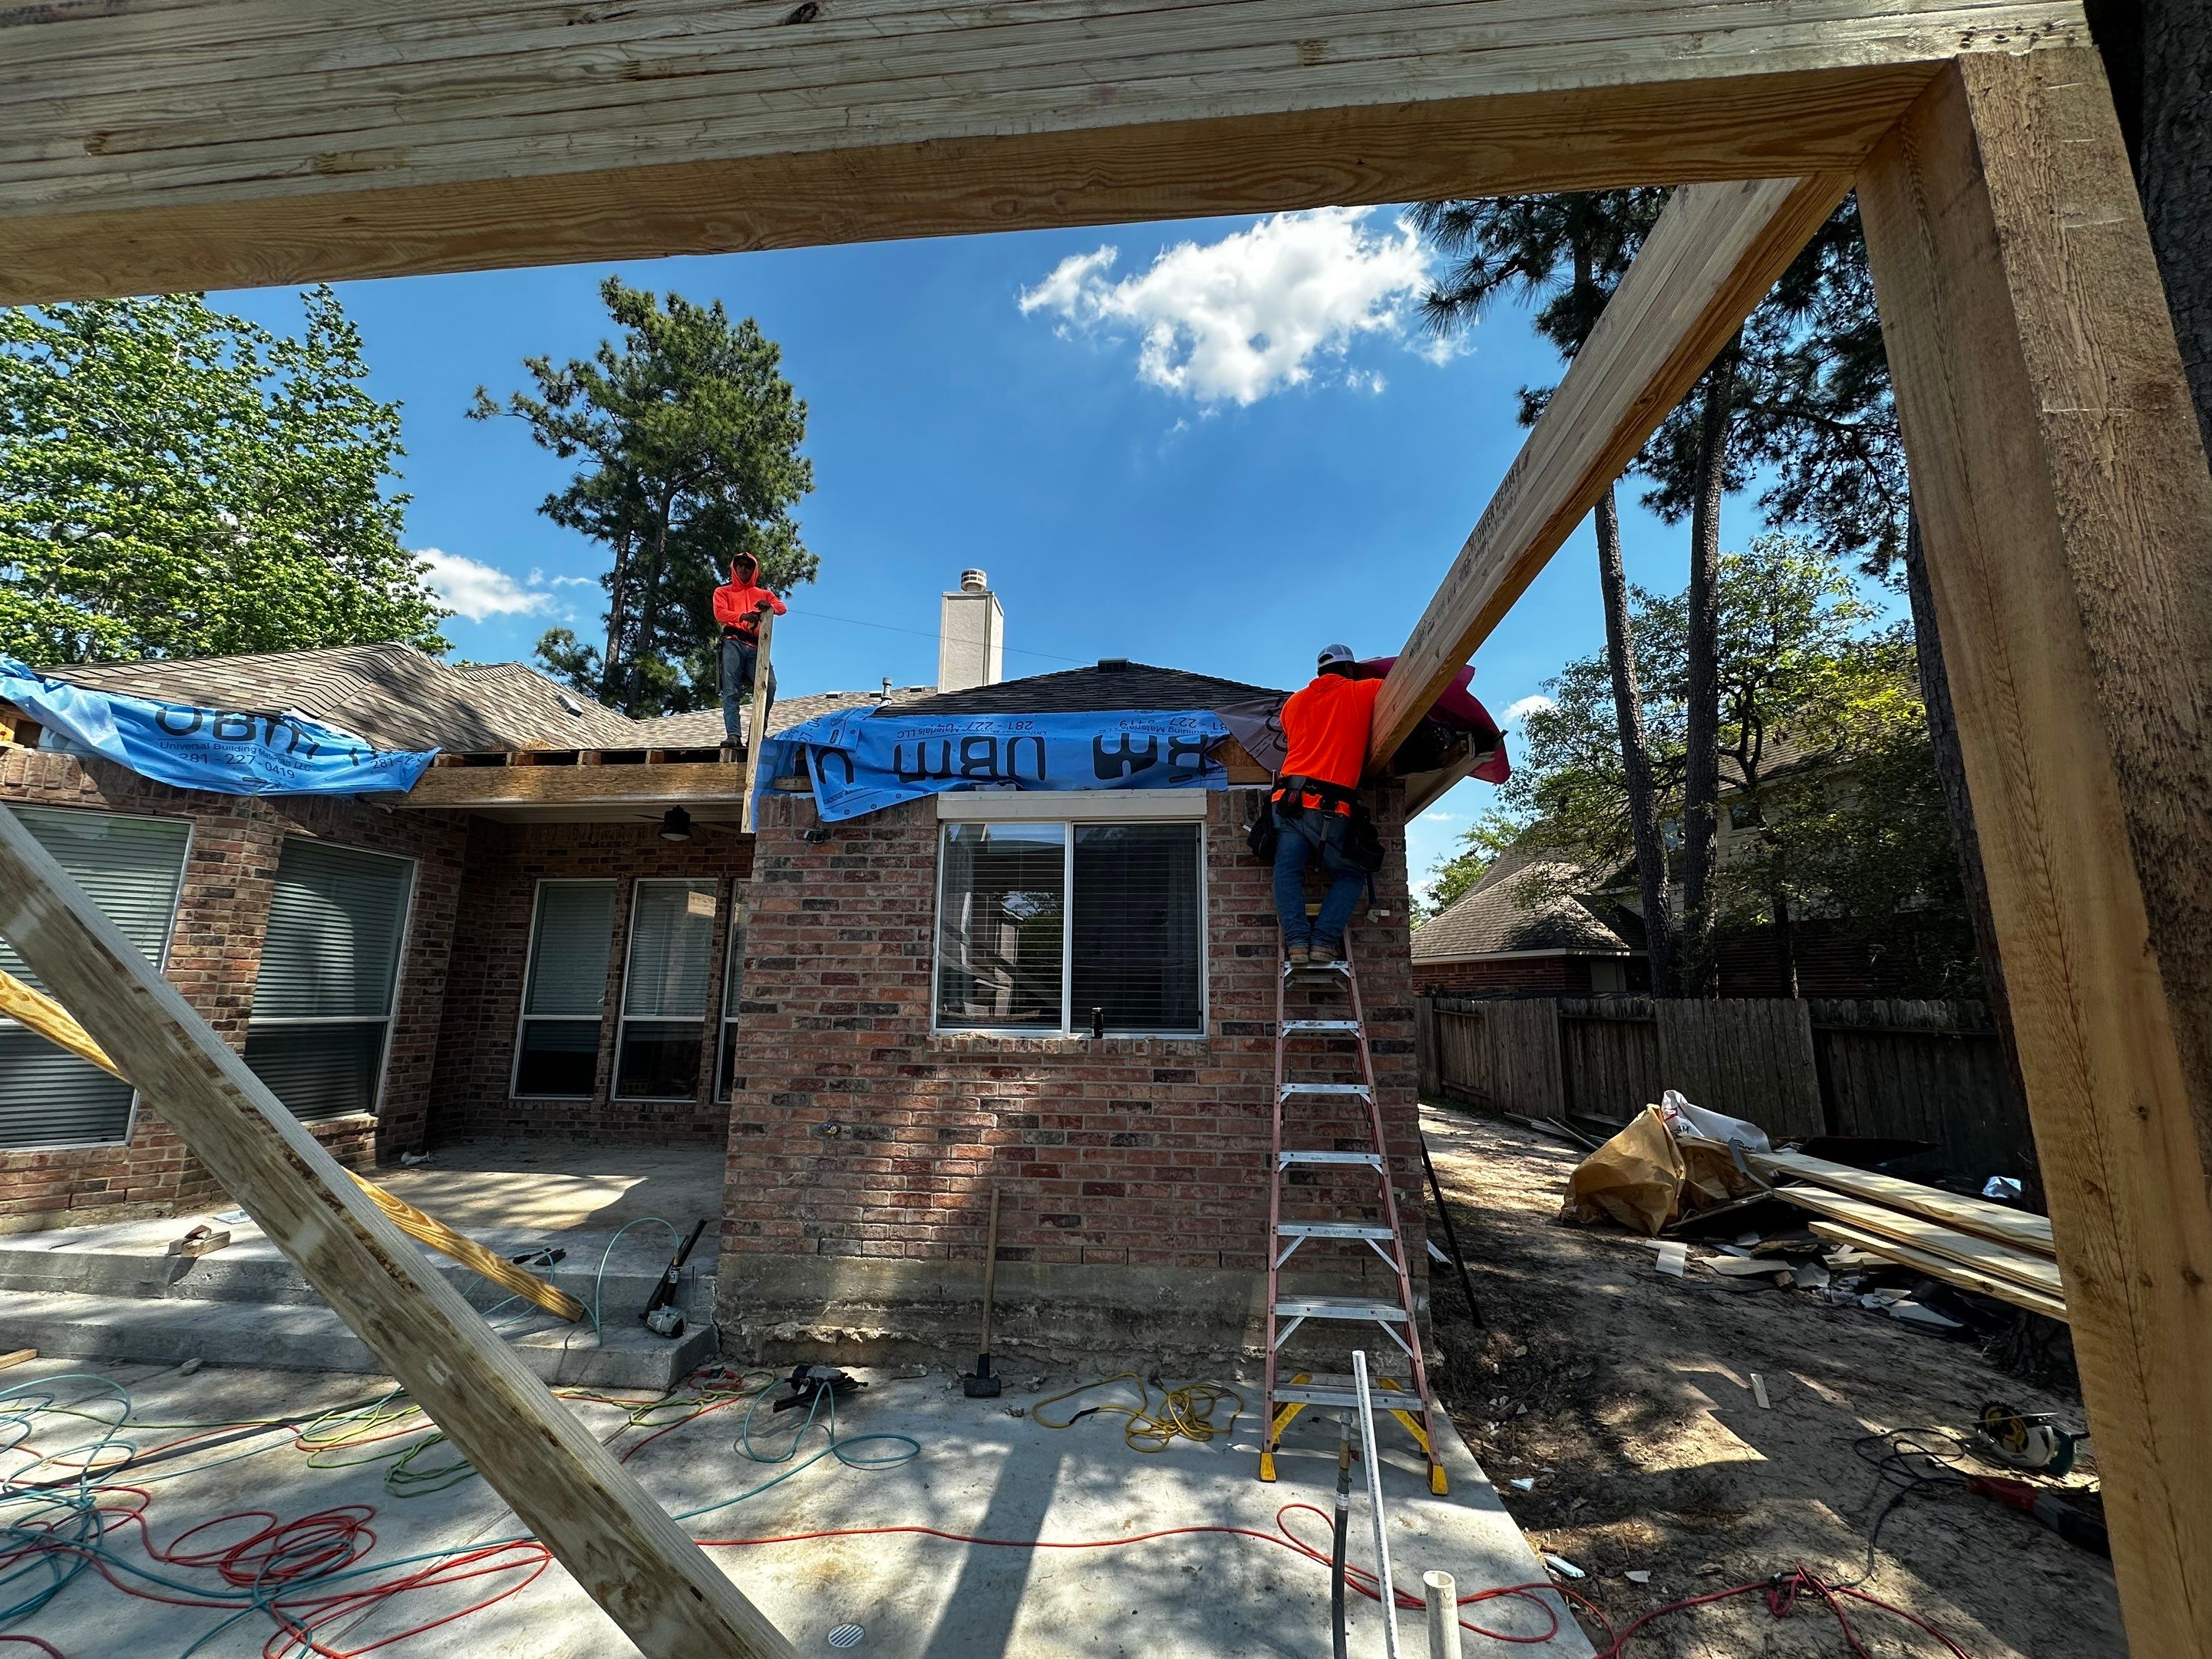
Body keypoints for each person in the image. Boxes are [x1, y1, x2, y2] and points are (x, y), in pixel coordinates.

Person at [1271, 644, 1382, 966]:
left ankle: (1296, 944)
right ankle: (1321, 943)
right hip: (1331, 807)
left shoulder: (1292, 704)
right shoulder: (1366, 691)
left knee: (1287, 873)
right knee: (1350, 875)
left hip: (1288, 801)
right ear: (1349, 670)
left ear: (1319, 672)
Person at [711, 554, 787, 742]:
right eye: (740, 565)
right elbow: (719, 613)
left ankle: (756, 733)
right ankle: (734, 735)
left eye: (748, 566)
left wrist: (768, 606)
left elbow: (782, 607)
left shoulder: (763, 593)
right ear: (734, 569)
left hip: (756, 647)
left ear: (754, 570)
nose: (743, 568)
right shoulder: (723, 591)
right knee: (731, 689)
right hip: (733, 641)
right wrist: (742, 617)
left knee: (769, 685)